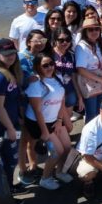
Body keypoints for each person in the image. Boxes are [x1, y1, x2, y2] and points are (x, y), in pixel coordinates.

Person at [23, 53, 72, 190]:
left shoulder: (58, 77)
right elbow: (37, 111)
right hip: (39, 123)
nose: (50, 67)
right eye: (45, 65)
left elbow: (62, 101)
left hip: (55, 119)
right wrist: (44, 131)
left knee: (67, 147)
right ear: (38, 68)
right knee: (57, 152)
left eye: (51, 63)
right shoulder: (36, 84)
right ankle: (45, 178)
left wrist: (60, 120)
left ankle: (59, 172)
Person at [0, 39, 25, 192]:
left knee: (11, 159)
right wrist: (9, 128)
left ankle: (8, 187)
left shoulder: (10, 71)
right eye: (6, 54)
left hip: (12, 121)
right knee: (8, 160)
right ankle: (4, 192)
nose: (10, 57)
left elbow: (13, 99)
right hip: (1, 125)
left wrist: (19, 118)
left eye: (13, 53)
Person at [75, 19, 102, 122]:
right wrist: (100, 79)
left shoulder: (100, 44)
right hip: (90, 84)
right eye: (90, 30)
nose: (94, 32)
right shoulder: (81, 47)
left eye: (97, 29)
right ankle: (89, 137)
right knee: (92, 114)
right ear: (85, 32)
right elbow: (80, 69)